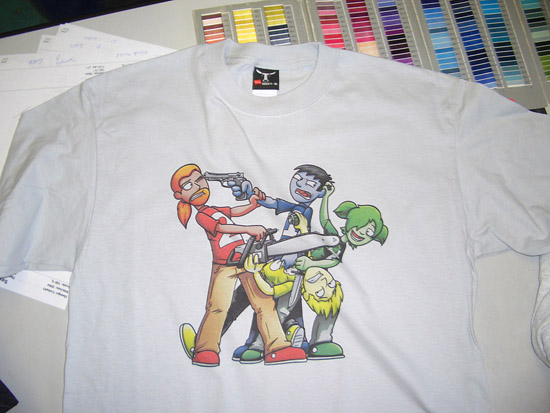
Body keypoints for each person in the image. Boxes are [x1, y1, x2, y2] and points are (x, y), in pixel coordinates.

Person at [171, 163, 306, 366]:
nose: (198, 186)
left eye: (199, 180)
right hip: (224, 265)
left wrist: (253, 204)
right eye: (188, 185)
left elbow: (234, 211)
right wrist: (249, 229)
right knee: (217, 307)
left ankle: (277, 347)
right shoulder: (202, 215)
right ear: (180, 195)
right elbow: (222, 227)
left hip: (246, 260)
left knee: (264, 302)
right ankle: (205, 350)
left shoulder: (214, 210)